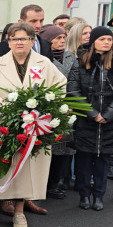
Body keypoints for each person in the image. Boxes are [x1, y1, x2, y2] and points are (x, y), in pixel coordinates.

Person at [0, 23, 67, 227]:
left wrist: (45, 106)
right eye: (15, 39)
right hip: (6, 124)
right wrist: (5, 106)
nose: (19, 43)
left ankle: (19, 213)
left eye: (24, 39)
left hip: (33, 125)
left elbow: (60, 85)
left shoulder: (43, 63)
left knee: (26, 167)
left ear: (32, 41)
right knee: (0, 165)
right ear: (8, 42)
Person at [68, 26, 113, 212]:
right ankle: (84, 194)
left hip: (111, 122)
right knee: (84, 159)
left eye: (109, 39)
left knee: (104, 160)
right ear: (93, 41)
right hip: (87, 121)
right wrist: (92, 113)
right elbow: (73, 90)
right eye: (102, 39)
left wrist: (109, 114)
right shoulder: (80, 63)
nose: (106, 42)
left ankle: (99, 195)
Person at [40, 24, 73, 200]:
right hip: (50, 105)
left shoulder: (70, 57)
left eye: (63, 38)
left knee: (65, 146)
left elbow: (75, 79)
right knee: (49, 147)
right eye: (57, 38)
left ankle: (57, 182)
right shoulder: (44, 58)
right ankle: (45, 184)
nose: (61, 41)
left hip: (69, 106)